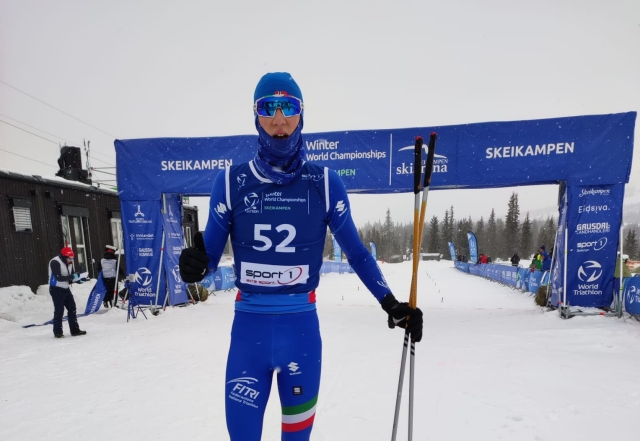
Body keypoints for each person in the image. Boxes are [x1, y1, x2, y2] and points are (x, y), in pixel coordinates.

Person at [179, 72, 423, 441]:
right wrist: (193, 265)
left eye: (288, 107)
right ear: (256, 116)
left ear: (301, 114)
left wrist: (390, 302)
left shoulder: (323, 183)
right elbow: (207, 260)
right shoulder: (231, 182)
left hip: (301, 333)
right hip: (249, 333)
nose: (279, 119)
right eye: (268, 108)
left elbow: (356, 252)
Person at [48, 246, 87, 338]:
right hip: (56, 289)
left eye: (72, 258)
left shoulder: (69, 263)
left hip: (66, 289)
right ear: (65, 257)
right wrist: (73, 277)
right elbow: (59, 277)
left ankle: (75, 330)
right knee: (59, 310)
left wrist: (79, 279)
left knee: (72, 308)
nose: (71, 261)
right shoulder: (55, 262)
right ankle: (58, 332)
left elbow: (70, 277)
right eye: (70, 258)